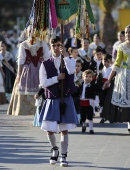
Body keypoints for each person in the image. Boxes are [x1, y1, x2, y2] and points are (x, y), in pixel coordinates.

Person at [39, 36, 78, 167]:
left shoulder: (69, 60)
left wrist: (66, 55)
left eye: (59, 45)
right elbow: (43, 83)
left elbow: (72, 71)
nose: (56, 48)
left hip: (65, 98)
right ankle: (54, 149)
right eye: (54, 45)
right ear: (50, 47)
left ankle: (63, 155)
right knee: (49, 130)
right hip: (52, 99)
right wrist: (56, 78)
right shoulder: (45, 64)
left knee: (64, 130)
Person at [103, 24, 130, 135]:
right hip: (125, 77)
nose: (127, 34)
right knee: (127, 101)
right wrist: (109, 79)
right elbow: (116, 64)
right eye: (126, 32)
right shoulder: (121, 47)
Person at [7, 26, 50, 116]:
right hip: (27, 70)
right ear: (27, 33)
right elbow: (21, 60)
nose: (32, 33)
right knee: (25, 88)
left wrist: (48, 72)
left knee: (41, 89)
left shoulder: (43, 44)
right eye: (30, 31)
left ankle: (40, 112)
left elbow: (47, 58)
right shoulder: (23, 45)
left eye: (34, 31)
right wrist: (19, 74)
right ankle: (28, 111)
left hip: (40, 69)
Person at [96, 54, 112, 123]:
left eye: (108, 62)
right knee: (102, 102)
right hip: (102, 89)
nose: (106, 63)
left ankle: (110, 117)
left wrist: (109, 84)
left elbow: (113, 79)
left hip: (110, 88)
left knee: (109, 102)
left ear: (111, 62)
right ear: (102, 61)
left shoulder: (112, 70)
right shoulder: (101, 71)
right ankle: (103, 116)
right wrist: (102, 87)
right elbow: (98, 81)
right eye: (105, 61)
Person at [79, 70, 96, 134]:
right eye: (86, 76)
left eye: (90, 77)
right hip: (82, 102)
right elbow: (76, 91)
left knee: (90, 116)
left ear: (92, 78)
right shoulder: (80, 85)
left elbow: (98, 89)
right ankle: (84, 124)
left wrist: (103, 87)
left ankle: (91, 129)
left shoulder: (92, 85)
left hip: (89, 102)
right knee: (83, 116)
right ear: (83, 77)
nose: (88, 78)